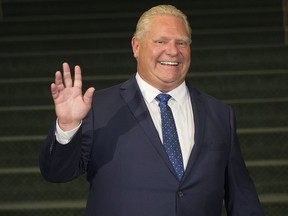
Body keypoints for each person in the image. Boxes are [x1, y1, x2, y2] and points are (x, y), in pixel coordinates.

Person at [39, 5, 264, 216]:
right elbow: (57, 173)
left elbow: (241, 197)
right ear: (136, 47)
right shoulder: (98, 107)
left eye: (181, 42)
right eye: (161, 41)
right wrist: (67, 127)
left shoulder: (220, 114)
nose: (173, 51)